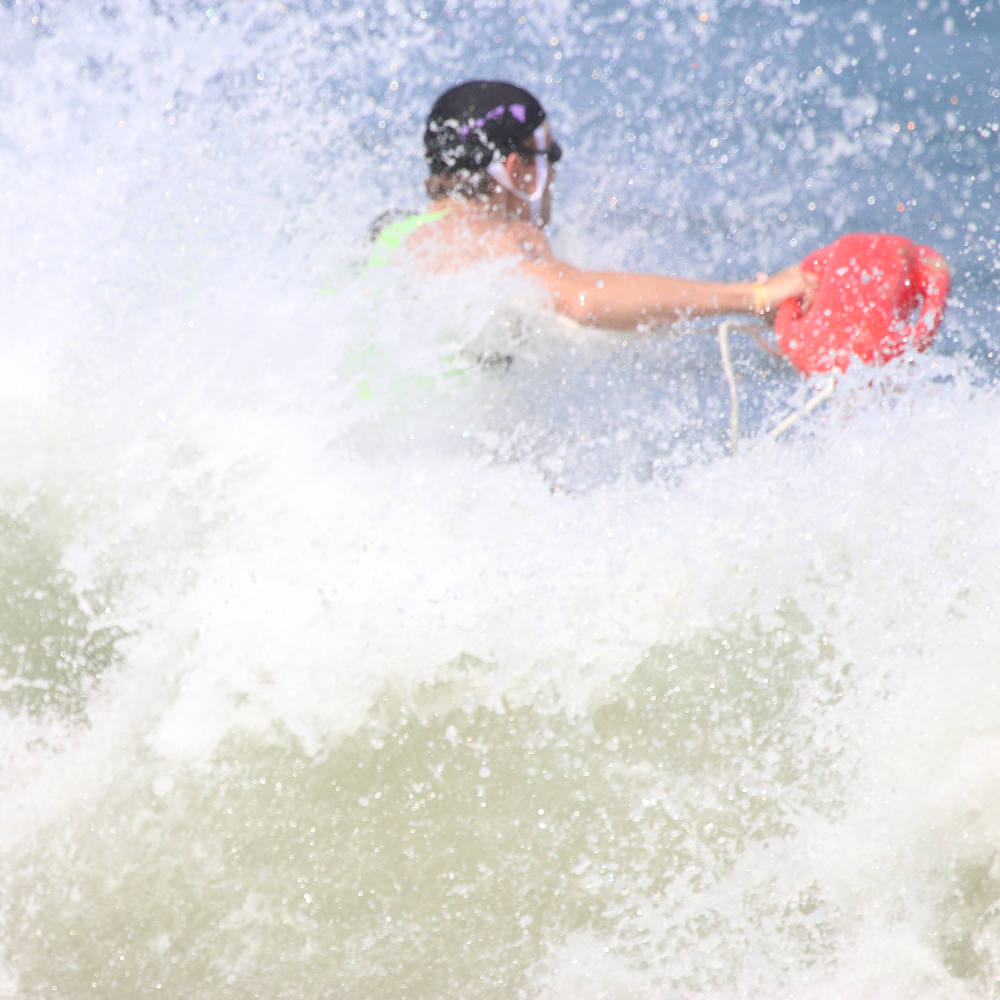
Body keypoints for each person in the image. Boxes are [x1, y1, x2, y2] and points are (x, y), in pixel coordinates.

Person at [371, 79, 816, 330]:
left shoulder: (389, 235)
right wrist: (750, 296)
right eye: (552, 157)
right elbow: (581, 299)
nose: (555, 178)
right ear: (516, 169)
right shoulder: (503, 239)